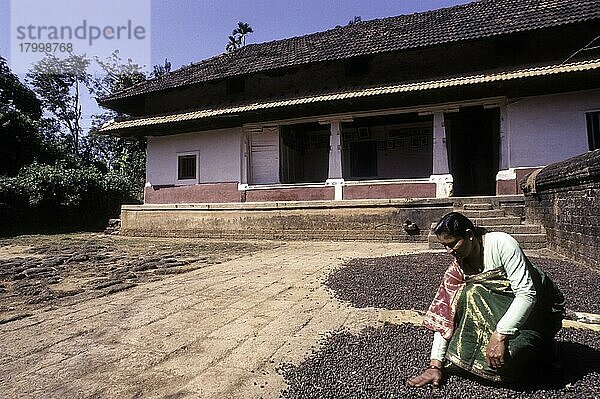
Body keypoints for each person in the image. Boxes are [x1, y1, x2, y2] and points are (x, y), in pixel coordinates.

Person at [407, 212, 565, 387]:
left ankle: (544, 346)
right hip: (497, 312)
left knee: (513, 357)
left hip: (538, 311)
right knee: (469, 293)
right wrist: (435, 364)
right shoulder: (457, 268)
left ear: (469, 235)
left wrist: (500, 335)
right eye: (444, 246)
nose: (449, 251)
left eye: (452, 244)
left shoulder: (502, 244)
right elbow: (444, 314)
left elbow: (526, 294)